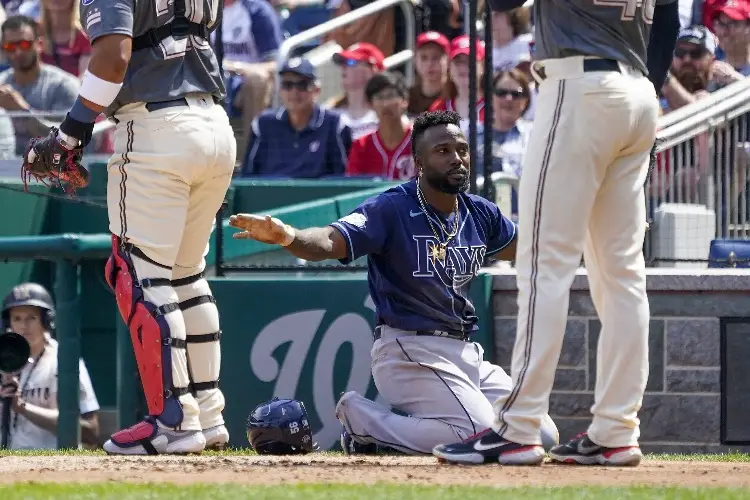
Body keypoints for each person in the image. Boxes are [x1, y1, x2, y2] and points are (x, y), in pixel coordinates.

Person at [433, 0, 680, 466]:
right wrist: (650, 85)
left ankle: (519, 426)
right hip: (636, 91)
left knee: (544, 262)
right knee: (621, 274)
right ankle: (616, 430)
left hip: (577, 87)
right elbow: (669, 20)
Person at [228, 110, 559, 456]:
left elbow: (531, 247)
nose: (456, 158)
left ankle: (384, 430)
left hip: (465, 352)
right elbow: (330, 239)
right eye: (442, 151)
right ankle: (362, 420)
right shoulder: (391, 208)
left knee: (540, 434)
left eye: (461, 149)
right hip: (407, 350)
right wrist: (289, 236)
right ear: (419, 161)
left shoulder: (479, 212)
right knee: (474, 432)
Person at [19, 0, 235, 454]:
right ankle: (207, 414)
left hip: (156, 127)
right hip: (214, 123)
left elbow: (114, 56)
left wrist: (69, 134)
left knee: (139, 276)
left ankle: (173, 419)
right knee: (186, 277)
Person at [0, 283, 100, 450]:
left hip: (52, 465)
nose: (24, 326)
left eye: (31, 317)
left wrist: (23, 407)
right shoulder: (3, 361)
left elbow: (91, 431)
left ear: (47, 320)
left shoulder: (64, 361)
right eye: (17, 319)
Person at [346, 71, 415, 180]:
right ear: (370, 104)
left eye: (391, 96)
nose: (386, 104)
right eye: (379, 97)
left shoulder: (421, 140)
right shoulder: (361, 145)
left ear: (405, 101)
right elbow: (352, 187)